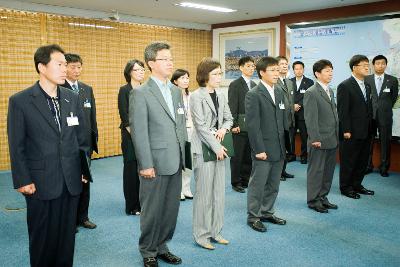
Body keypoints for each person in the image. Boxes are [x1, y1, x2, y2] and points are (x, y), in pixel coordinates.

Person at [7, 44, 89, 267]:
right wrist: (23, 179)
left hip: (71, 180)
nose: (65, 69)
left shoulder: (72, 98)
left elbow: (81, 139)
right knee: (42, 238)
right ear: (42, 67)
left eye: (65, 65)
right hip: (40, 182)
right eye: (59, 64)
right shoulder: (21, 101)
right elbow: (17, 145)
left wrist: (83, 169)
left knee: (66, 238)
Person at [129, 42, 187, 267]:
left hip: (175, 160)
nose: (170, 62)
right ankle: (148, 251)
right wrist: (145, 164)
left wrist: (184, 155)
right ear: (151, 63)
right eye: (164, 59)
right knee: (152, 210)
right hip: (153, 162)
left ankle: (162, 246)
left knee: (170, 209)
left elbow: (179, 125)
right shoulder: (141, 93)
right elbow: (140, 133)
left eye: (171, 58)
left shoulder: (175, 91)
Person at [190, 58, 233, 250]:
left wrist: (223, 129)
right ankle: (201, 235)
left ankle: (216, 232)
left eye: (220, 73)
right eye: (215, 74)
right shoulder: (196, 96)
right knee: (204, 195)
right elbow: (200, 126)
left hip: (220, 150)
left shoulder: (221, 95)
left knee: (218, 194)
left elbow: (229, 119)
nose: (219, 77)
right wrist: (217, 146)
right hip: (205, 149)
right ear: (204, 76)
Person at [245, 56, 287, 233]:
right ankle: (253, 216)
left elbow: (282, 119)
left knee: (273, 184)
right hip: (263, 148)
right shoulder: (253, 94)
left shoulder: (279, 91)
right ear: (262, 72)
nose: (277, 73)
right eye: (273, 70)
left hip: (278, 146)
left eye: (278, 70)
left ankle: (267, 212)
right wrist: (259, 149)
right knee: (258, 184)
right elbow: (253, 126)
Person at [62, 53, 98, 230]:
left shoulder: (86, 88)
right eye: (73, 67)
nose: (77, 70)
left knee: (85, 181)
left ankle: (83, 216)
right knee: (69, 182)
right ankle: (69, 220)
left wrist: (93, 138)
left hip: (85, 145)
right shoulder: (59, 88)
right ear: (65, 67)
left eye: (79, 66)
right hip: (68, 145)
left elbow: (92, 116)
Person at [303, 60, 338, 213]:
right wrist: (315, 138)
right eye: (327, 71)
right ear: (317, 73)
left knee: (328, 171)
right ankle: (313, 200)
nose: (330, 73)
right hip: (319, 140)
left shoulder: (330, 90)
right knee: (316, 171)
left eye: (331, 70)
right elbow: (310, 119)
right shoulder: (311, 92)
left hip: (332, 138)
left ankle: (323, 197)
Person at [337, 55, 374, 199]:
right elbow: (343, 111)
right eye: (364, 65)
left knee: (362, 161)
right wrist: (346, 130)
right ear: (354, 68)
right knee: (349, 161)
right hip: (351, 132)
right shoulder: (345, 86)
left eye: (367, 65)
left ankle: (357, 184)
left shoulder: (368, 86)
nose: (367, 67)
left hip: (366, 131)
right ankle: (346, 187)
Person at [118, 59, 145, 215]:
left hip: (146, 136)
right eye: (137, 70)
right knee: (131, 171)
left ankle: (143, 202)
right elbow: (125, 116)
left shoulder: (146, 89)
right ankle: (132, 206)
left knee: (145, 171)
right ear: (129, 73)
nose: (141, 72)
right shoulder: (124, 90)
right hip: (131, 137)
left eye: (142, 70)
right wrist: (138, 137)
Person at [365, 55, 399, 177]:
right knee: (369, 142)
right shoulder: (367, 79)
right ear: (373, 65)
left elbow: (394, 98)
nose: (380, 65)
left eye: (383, 63)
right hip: (370, 115)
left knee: (385, 141)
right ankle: (368, 165)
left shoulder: (393, 80)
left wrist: (384, 106)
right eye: (378, 63)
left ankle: (384, 167)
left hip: (385, 116)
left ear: (386, 64)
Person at [228, 56, 256, 193]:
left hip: (251, 127)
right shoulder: (235, 84)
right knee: (237, 156)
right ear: (241, 68)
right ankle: (236, 182)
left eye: (253, 66)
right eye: (248, 66)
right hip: (239, 127)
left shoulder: (255, 85)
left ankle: (245, 179)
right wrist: (233, 124)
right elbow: (232, 106)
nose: (251, 68)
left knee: (248, 156)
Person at [171, 69, 194, 201]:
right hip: (177, 132)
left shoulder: (191, 95)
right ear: (175, 81)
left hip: (191, 131)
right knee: (179, 161)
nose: (186, 80)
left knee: (189, 161)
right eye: (182, 78)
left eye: (187, 78)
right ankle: (178, 189)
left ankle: (186, 188)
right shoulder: (171, 95)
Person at [290, 61, 314, 164]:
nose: (298, 70)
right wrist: (292, 106)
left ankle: (304, 156)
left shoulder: (309, 82)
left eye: (300, 68)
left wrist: (299, 104)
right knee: (291, 136)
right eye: (296, 69)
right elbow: (287, 97)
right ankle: (291, 155)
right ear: (293, 70)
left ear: (303, 69)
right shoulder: (289, 82)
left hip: (303, 114)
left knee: (305, 136)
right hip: (291, 113)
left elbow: (309, 97)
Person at [276, 56, 294, 180]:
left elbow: (290, 102)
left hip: (289, 120)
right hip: (279, 121)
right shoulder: (274, 81)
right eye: (281, 63)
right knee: (279, 148)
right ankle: (277, 172)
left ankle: (283, 170)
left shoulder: (289, 82)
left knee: (287, 147)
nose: (284, 65)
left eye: (286, 63)